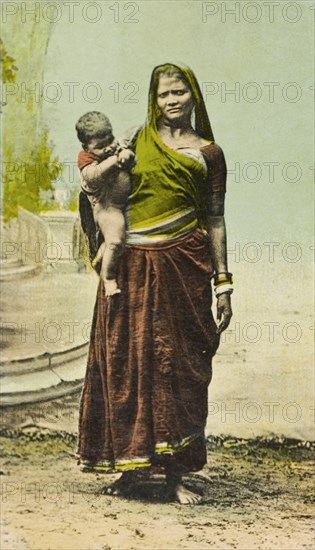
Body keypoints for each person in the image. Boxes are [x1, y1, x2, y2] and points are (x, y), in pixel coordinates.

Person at [77, 63, 233, 504]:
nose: (171, 101)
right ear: (154, 97)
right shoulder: (134, 141)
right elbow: (97, 190)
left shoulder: (209, 154)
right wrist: (103, 244)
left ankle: (176, 477)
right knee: (124, 363)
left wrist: (223, 283)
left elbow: (216, 220)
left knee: (178, 368)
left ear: (193, 95)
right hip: (130, 268)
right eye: (163, 94)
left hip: (183, 268)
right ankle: (129, 470)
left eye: (179, 92)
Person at [75, 111, 135, 296]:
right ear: (87, 147)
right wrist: (115, 160)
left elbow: (129, 152)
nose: (108, 148)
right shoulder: (86, 158)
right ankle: (108, 279)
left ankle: (102, 252)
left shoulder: (114, 148)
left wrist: (126, 154)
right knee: (116, 241)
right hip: (108, 208)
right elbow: (92, 176)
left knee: (122, 240)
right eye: (100, 146)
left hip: (124, 203)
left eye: (110, 141)